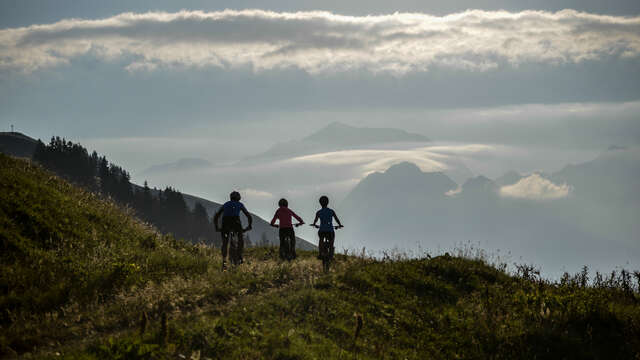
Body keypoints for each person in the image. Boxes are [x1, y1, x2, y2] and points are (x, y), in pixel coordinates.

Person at [213, 191, 252, 268]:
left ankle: (224, 261)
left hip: (225, 222)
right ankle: (239, 257)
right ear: (238, 198)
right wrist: (249, 226)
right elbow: (249, 216)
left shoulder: (226, 204)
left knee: (225, 242)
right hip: (235, 222)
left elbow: (216, 216)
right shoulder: (240, 204)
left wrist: (216, 227)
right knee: (240, 240)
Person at [311, 195, 343, 260]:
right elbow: (337, 219)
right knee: (331, 242)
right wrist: (339, 225)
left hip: (322, 230)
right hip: (330, 230)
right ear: (328, 202)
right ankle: (331, 255)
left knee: (321, 240)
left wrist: (314, 224)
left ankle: (320, 254)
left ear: (320, 203)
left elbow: (315, 220)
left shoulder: (319, 212)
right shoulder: (331, 211)